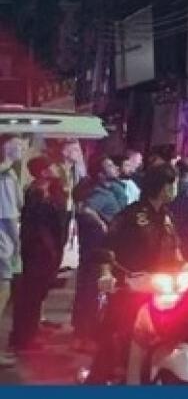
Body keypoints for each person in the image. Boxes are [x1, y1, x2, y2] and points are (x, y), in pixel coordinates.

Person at [88, 163, 185, 384]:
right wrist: (106, 274)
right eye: (172, 184)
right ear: (162, 187)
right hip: (130, 290)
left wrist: (187, 267)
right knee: (113, 339)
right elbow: (107, 248)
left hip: (162, 291)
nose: (175, 189)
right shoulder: (130, 216)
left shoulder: (166, 216)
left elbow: (176, 249)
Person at [9, 156, 68, 354]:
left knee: (36, 295)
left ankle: (29, 333)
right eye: (52, 166)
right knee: (30, 297)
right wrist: (50, 249)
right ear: (43, 172)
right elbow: (38, 227)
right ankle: (24, 338)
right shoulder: (36, 194)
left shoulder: (50, 192)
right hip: (38, 253)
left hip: (46, 252)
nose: (56, 168)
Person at [72, 156, 129, 351]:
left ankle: (84, 334)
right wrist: (102, 224)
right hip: (95, 249)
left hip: (100, 248)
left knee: (91, 291)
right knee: (90, 291)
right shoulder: (99, 192)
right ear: (101, 173)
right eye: (110, 165)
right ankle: (82, 336)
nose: (115, 167)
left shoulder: (109, 189)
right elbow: (86, 209)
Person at [0, 135, 28, 369]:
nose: (21, 149)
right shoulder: (6, 176)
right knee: (2, 295)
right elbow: (9, 216)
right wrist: (18, 243)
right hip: (3, 244)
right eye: (17, 145)